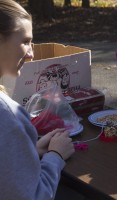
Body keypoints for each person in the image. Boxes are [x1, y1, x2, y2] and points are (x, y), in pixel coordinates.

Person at [0, 0, 75, 199]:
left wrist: (30, 150)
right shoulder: (8, 115)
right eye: (25, 42)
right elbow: (35, 196)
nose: (32, 54)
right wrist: (55, 157)